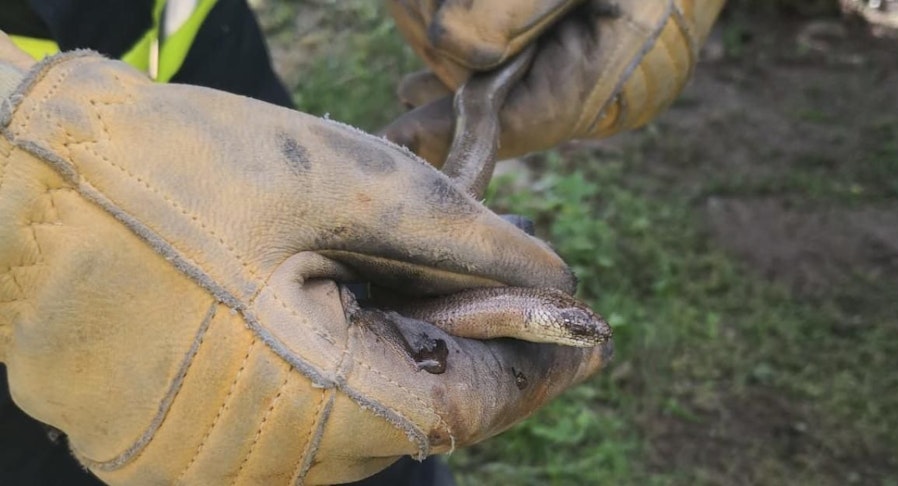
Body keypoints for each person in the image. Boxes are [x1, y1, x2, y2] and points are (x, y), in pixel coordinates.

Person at [0, 0, 723, 484]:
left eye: (576, 327)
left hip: (202, 83)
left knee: (344, 423)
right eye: (574, 324)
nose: (580, 331)